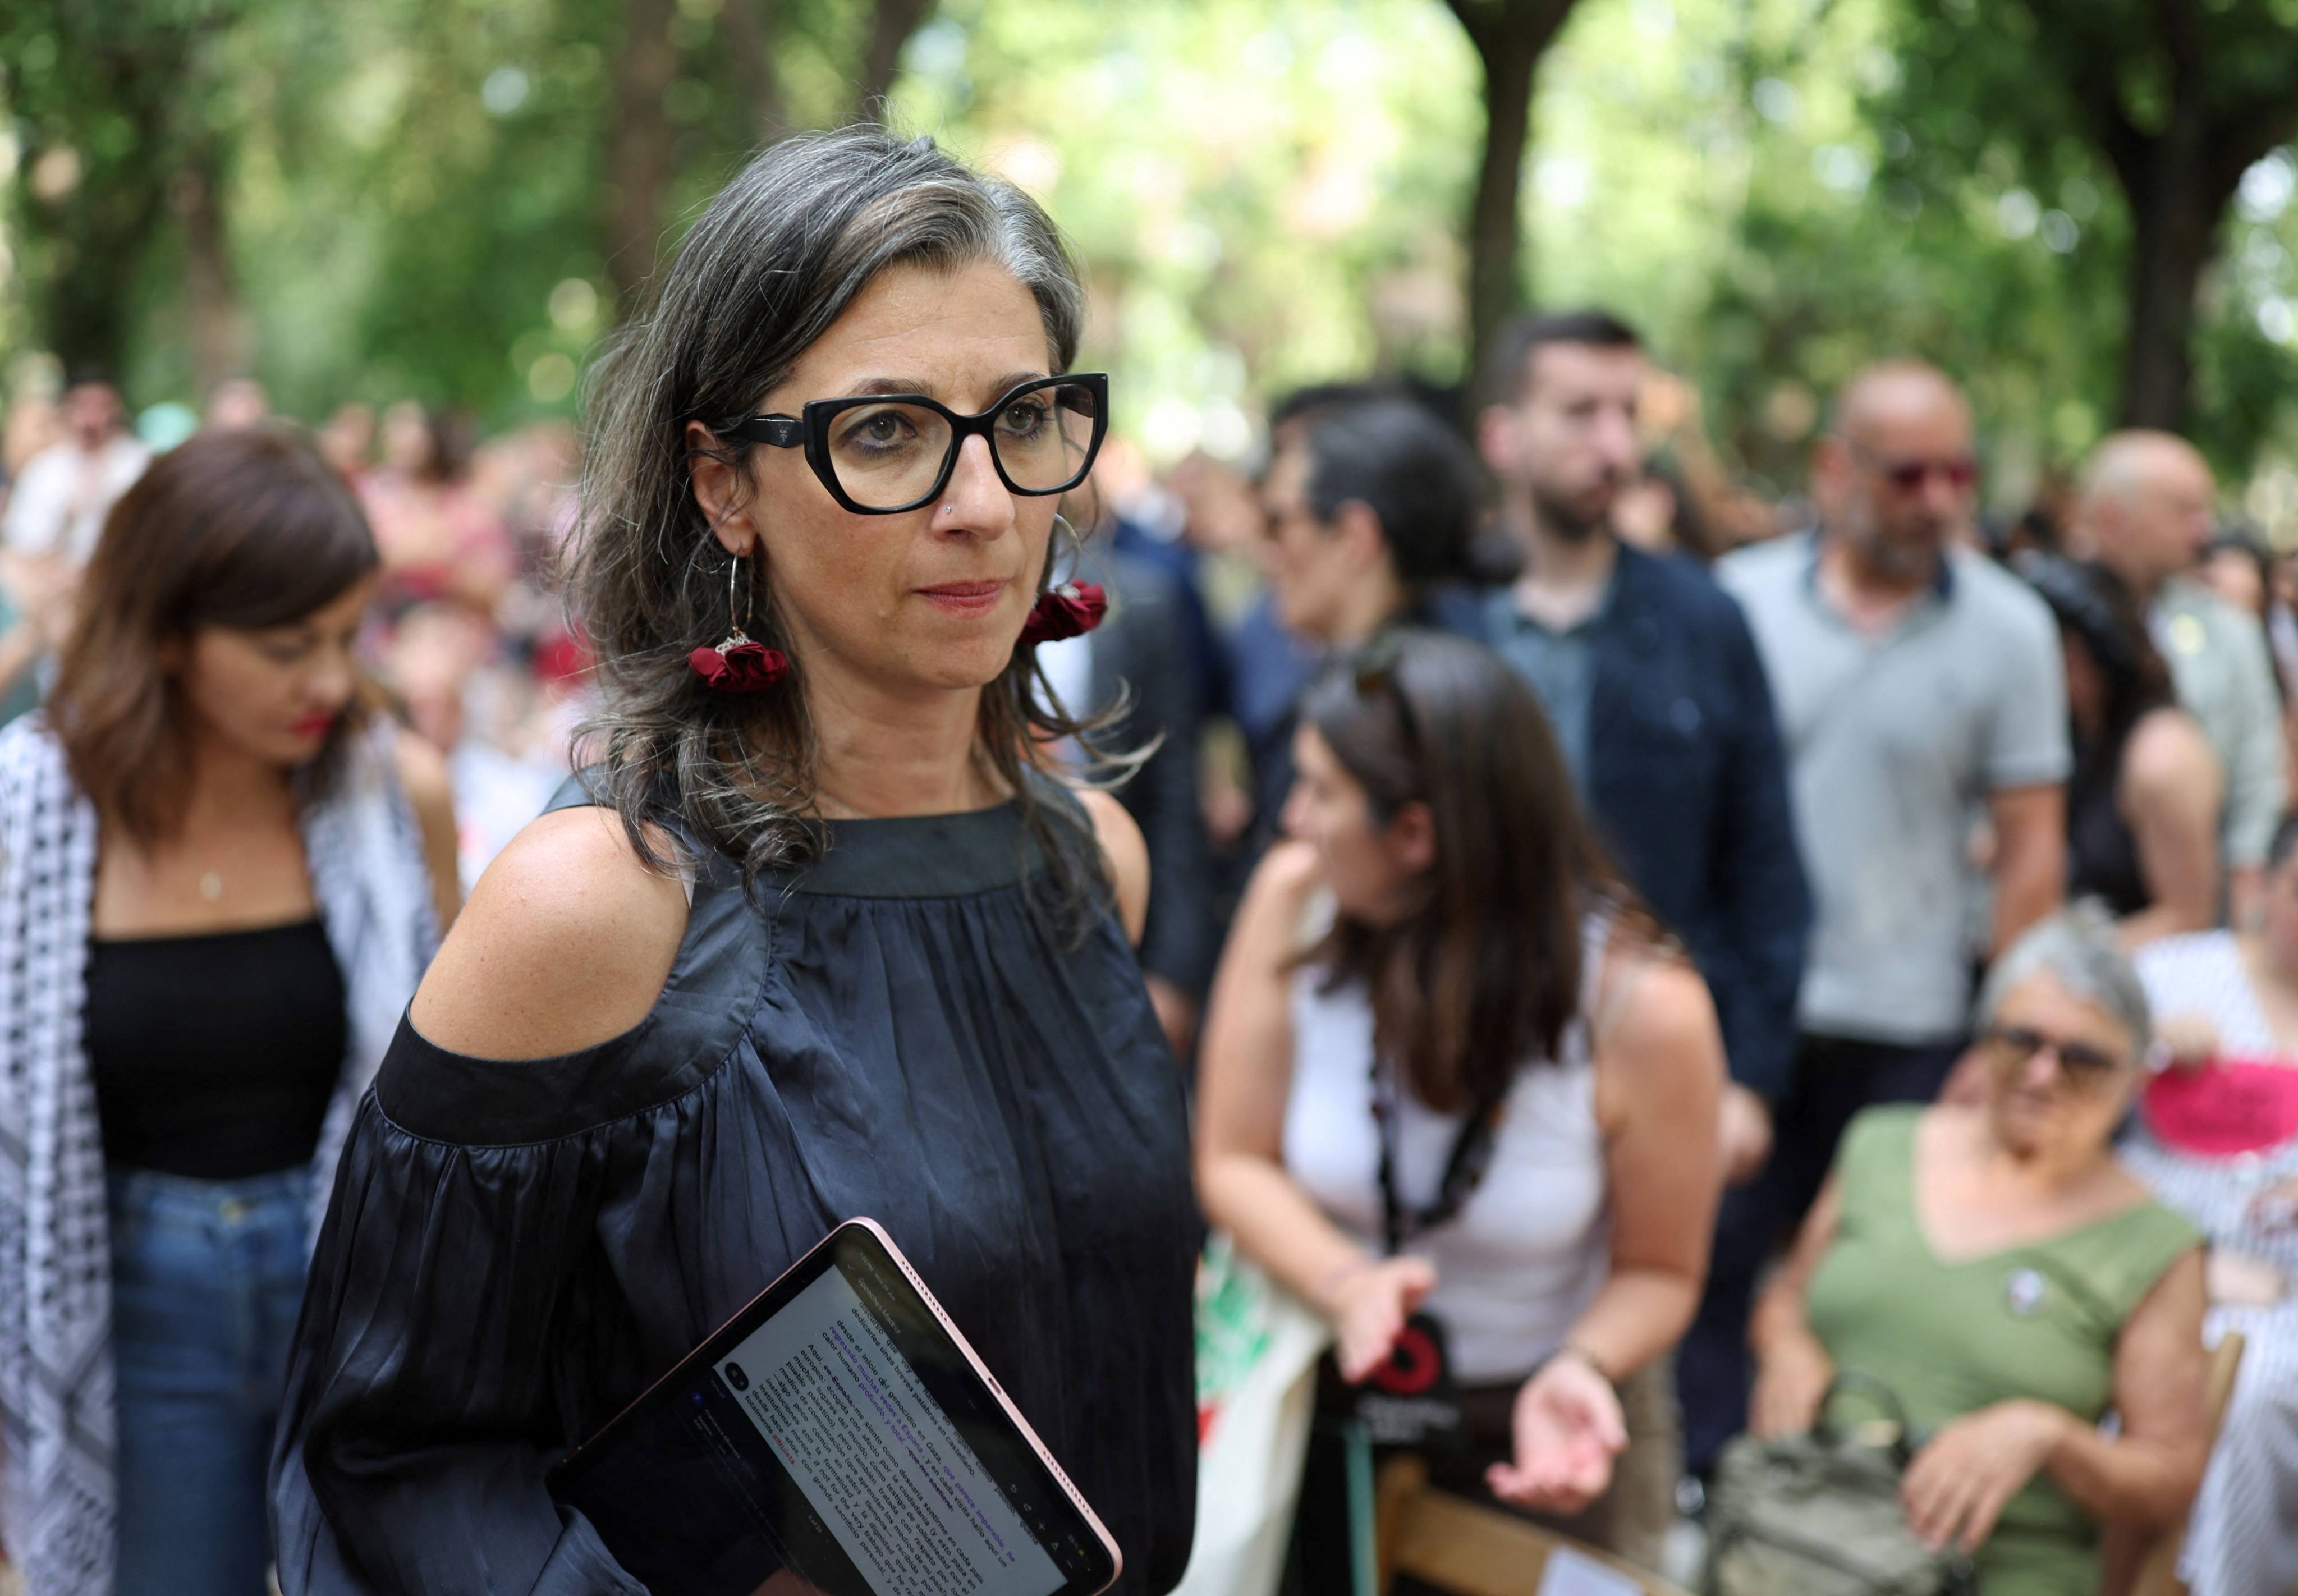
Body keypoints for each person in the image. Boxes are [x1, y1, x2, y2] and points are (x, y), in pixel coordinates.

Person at [269, 128, 1199, 1595]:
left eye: (1022, 418)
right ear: (722, 484)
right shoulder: (598, 909)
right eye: (883, 431)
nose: (981, 503)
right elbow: (391, 1461)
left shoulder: (1096, 864)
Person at [0, 426, 458, 1596]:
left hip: (360, 1295)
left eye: (346, 635)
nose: (328, 681)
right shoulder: (35, 816)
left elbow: (459, 1082)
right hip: (136, 1311)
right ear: (165, 633)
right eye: (283, 644)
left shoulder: (389, 798)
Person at [1196, 630, 1725, 1576]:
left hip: (1531, 1433)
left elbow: (1663, 1268)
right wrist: (1343, 1279)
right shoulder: (1295, 900)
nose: (1292, 819)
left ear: (1416, 834)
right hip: (1320, 1404)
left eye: (1320, 790)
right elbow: (1231, 1156)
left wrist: (1583, 1366)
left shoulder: (1646, 1007)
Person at [1711, 360, 2070, 1460]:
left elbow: (2030, 846)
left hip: (1911, 1021)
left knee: (1860, 1287)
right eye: (1908, 474)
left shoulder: (2010, 630)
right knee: (1712, 1271)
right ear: (1833, 470)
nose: (1938, 500)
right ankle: (1695, 1503)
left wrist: (1999, 1032)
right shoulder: (1733, 603)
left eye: (1957, 473)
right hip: (1739, 1018)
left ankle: (1830, 1510)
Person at [1473, 312, 1810, 1475]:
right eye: (1580, 413)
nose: (1612, 445)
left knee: (1645, 1378)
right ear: (1504, 434)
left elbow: (1765, 866)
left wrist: (1750, 1081)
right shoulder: (1443, 614)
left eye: (1628, 413)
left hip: (1652, 1062)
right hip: (1462, 1056)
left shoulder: (1702, 621)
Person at [1749, 907, 2209, 1596]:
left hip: (1990, 1570)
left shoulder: (2154, 1241)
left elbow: (2169, 1479)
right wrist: (1786, 1348)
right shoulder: (1883, 1142)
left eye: (2083, 1060)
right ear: (1982, 1042)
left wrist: (2048, 1436)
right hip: (1806, 1538)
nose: (2043, 1074)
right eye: (2021, 1041)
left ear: (2133, 1080)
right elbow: (1787, 1297)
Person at [2120, 814, 2298, 1596]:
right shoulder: (2168, 975)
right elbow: (2059, 1088)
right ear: (2263, 888)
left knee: (2251, 1388)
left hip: (2278, 1298)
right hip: (2146, 1263)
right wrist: (2143, 1051)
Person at [2073, 432, 2284, 921]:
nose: (2202, 530)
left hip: (2189, 905)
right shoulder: (2045, 619)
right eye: (2183, 511)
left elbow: (2258, 768)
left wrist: (2245, 893)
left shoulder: (2227, 631)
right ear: (2112, 516)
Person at [2019, 553, 2221, 943]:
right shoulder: (2079, 734)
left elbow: (2190, 917)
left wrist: (2064, 964)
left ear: (2083, 656)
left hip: (2150, 983)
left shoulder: (2160, 756)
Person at [357, 402, 515, 620]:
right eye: (391, 430)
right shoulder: (376, 493)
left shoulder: (472, 505)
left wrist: (444, 569)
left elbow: (495, 589)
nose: (397, 439)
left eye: (407, 430)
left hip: (454, 629)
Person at [0, 373, 149, 572]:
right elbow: (25, 540)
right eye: (83, 406)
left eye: (101, 407)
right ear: (68, 410)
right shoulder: (44, 470)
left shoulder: (139, 464)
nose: (91, 419)